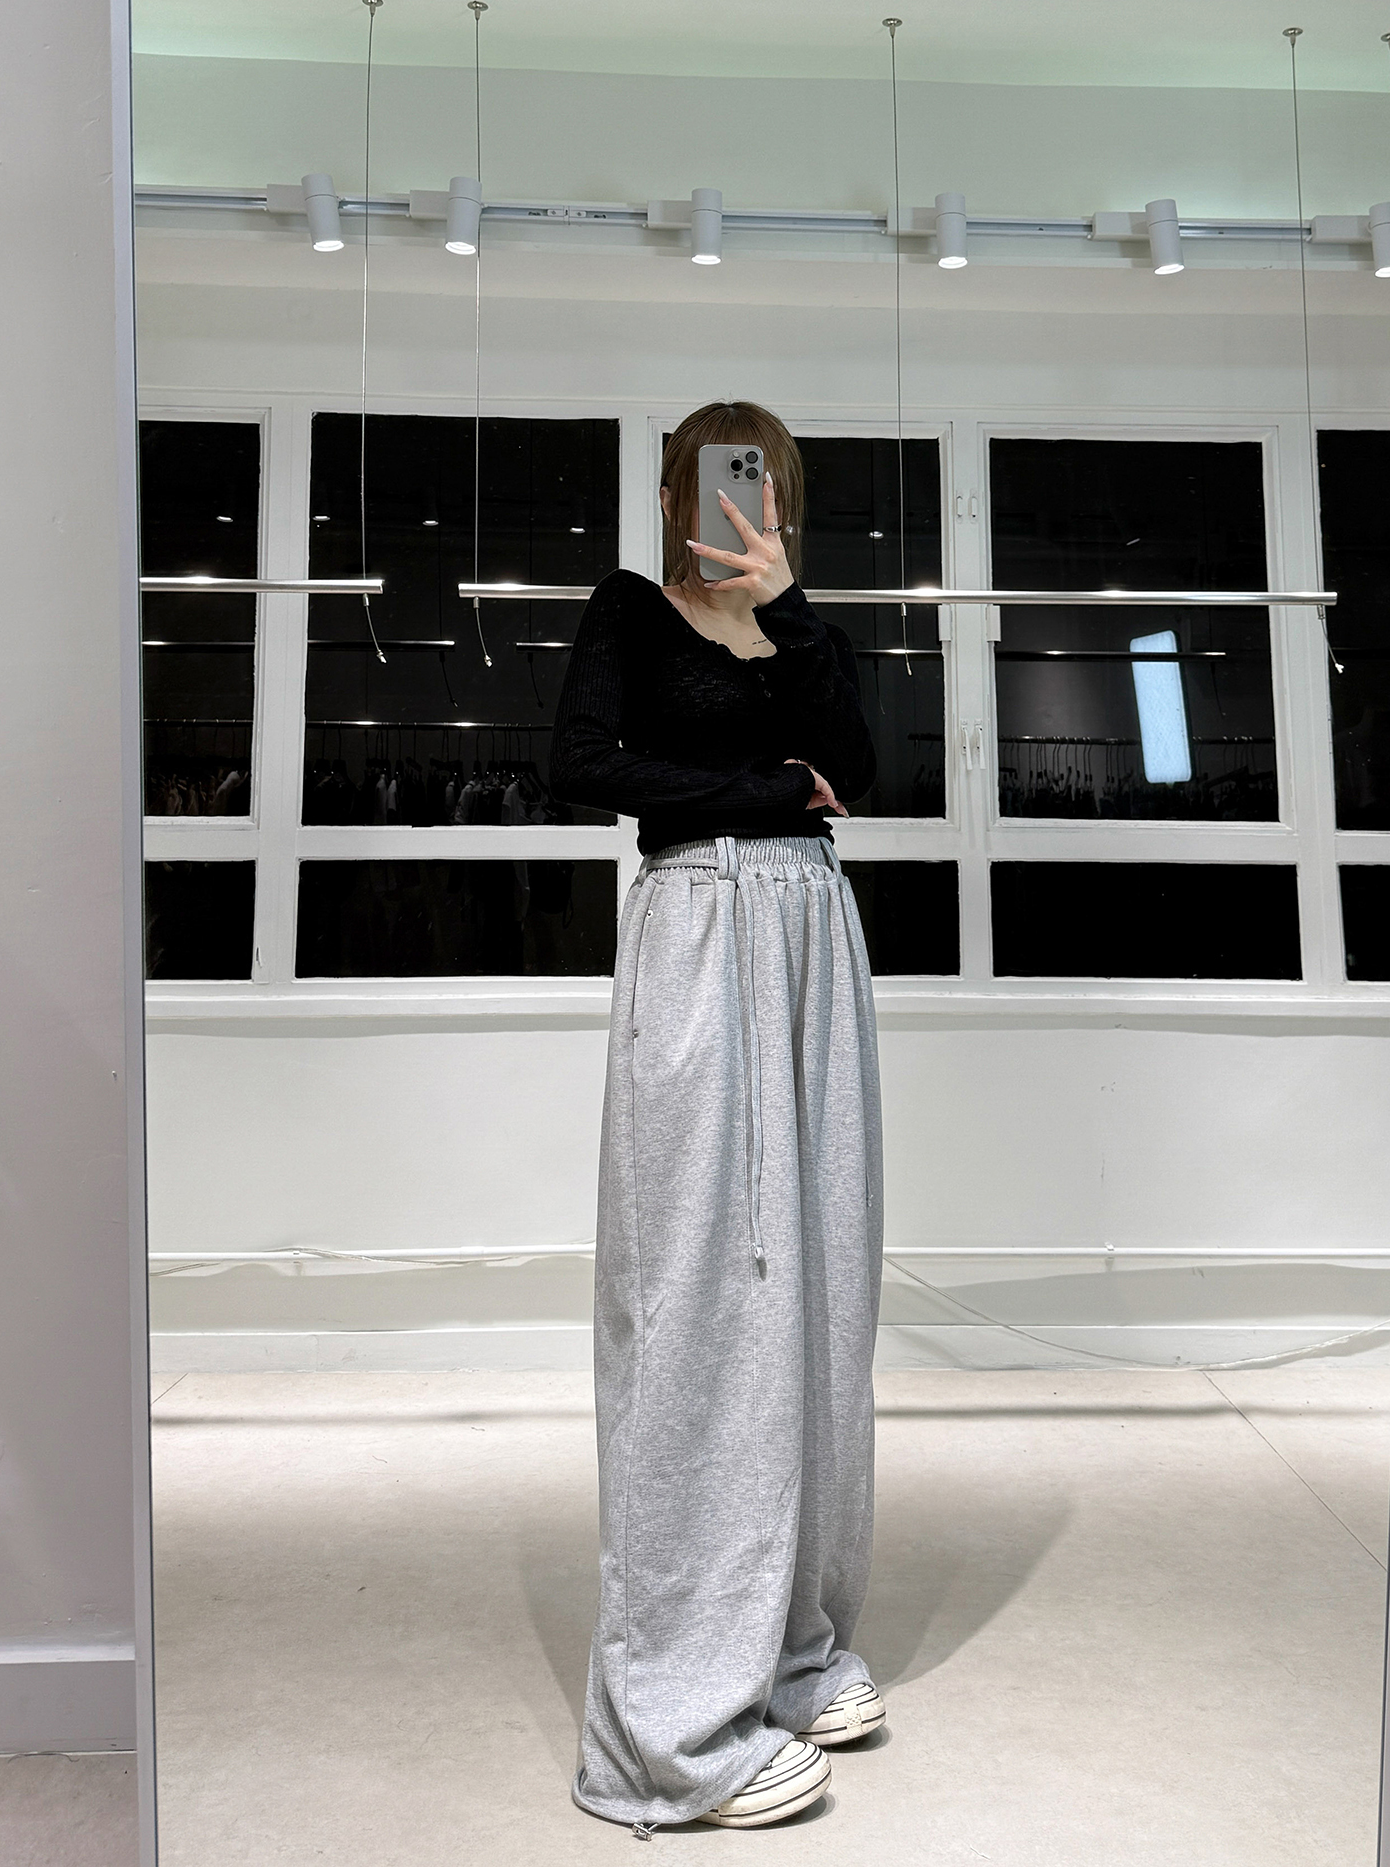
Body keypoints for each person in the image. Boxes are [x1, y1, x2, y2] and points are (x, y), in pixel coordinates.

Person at [549, 400, 886, 1834]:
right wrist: (758, 787)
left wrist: (786, 608)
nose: (736, 505)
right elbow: (580, 767)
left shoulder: (809, 634)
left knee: (820, 1296)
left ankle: (791, 1646)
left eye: (760, 484)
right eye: (711, 483)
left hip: (815, 940)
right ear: (674, 492)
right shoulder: (629, 611)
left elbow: (866, 769)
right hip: (699, 927)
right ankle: (670, 1723)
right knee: (701, 1303)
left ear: (784, 495)